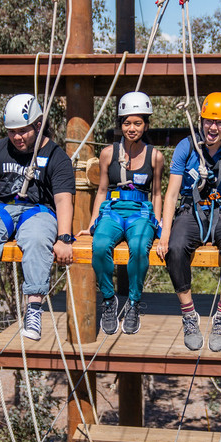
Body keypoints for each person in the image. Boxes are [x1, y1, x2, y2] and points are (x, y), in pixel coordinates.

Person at [0, 93, 75, 341]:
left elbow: (63, 199)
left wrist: (64, 238)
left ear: (38, 125)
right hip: (1, 208)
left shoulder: (57, 157)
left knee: (36, 238)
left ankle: (33, 308)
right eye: (12, 132)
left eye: (23, 131)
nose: (17, 137)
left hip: (38, 210)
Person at [155, 92, 221, 352]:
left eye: (220, 122)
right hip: (192, 210)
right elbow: (171, 193)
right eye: (209, 121)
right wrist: (165, 233)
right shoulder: (187, 147)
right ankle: (189, 314)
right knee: (175, 249)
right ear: (200, 120)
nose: (213, 128)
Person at [79, 91, 164, 335]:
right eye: (127, 123)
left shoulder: (155, 157)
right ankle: (109, 299)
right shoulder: (108, 154)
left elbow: (156, 193)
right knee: (99, 245)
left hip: (140, 212)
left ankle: (134, 302)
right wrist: (94, 222)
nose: (132, 128)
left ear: (145, 125)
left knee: (138, 247)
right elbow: (102, 189)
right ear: (121, 125)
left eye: (137, 123)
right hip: (113, 210)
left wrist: (157, 223)